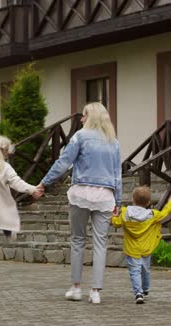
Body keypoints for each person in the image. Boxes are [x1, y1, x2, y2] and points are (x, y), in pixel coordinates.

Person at [37, 102, 122, 304]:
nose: (81, 119)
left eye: (83, 116)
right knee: (100, 243)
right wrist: (118, 200)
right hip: (105, 197)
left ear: (90, 117)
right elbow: (117, 175)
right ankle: (95, 292)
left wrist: (44, 183)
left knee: (77, 240)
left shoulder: (80, 137)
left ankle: (76, 288)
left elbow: (63, 163)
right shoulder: (114, 142)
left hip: (81, 194)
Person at [111, 186, 171, 304]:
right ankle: (145, 289)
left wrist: (114, 216)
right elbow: (164, 213)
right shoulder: (152, 215)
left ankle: (138, 293)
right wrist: (170, 203)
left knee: (134, 271)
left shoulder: (125, 213)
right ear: (148, 202)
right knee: (146, 270)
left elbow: (116, 224)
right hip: (146, 248)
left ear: (133, 200)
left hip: (132, 249)